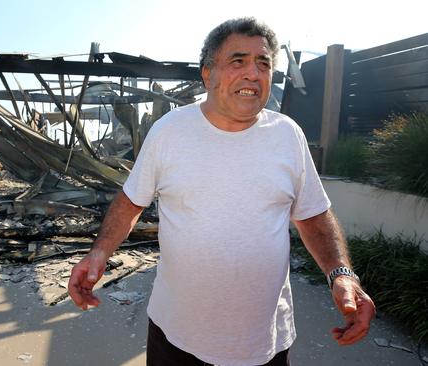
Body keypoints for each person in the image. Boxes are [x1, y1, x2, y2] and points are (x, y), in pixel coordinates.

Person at [68, 17, 376, 366]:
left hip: (264, 342)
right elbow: (130, 202)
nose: (253, 74)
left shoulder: (288, 135)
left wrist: (341, 274)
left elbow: (313, 216)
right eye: (238, 61)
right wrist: (98, 253)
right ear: (207, 74)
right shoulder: (169, 132)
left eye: (263, 64)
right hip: (176, 335)